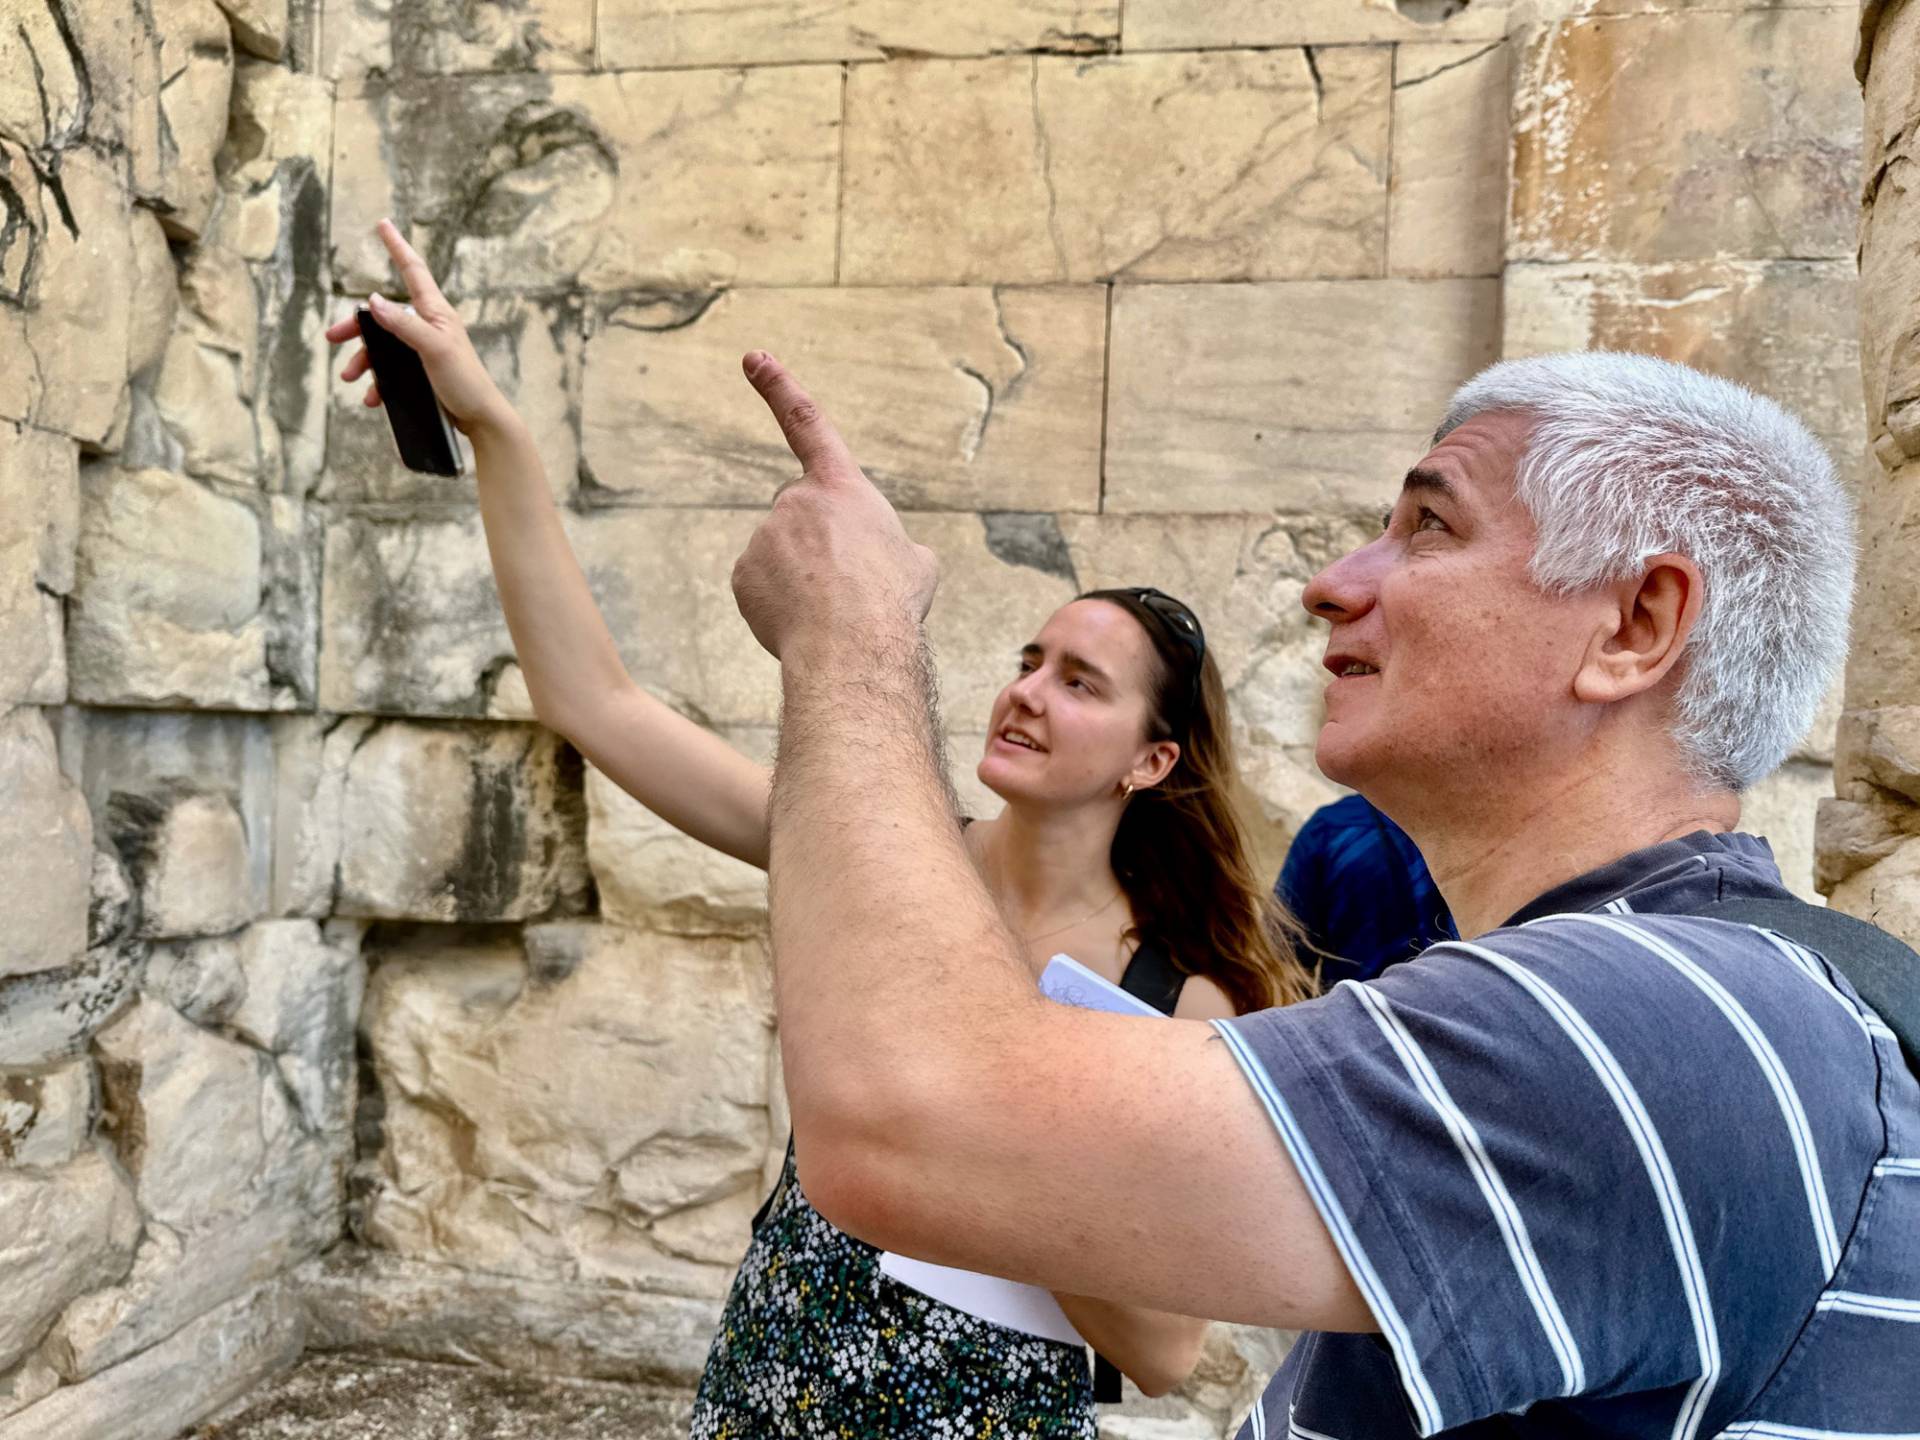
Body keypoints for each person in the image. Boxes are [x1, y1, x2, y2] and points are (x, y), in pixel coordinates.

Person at [725, 345, 1920, 1438]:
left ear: (1635, 625)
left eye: (1429, 527)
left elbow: (905, 1120)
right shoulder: (1691, 1005)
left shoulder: (1648, 1026)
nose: (1333, 584)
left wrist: (850, 631)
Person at [326, 221, 1319, 1437]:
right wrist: (496, 429)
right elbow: (595, 702)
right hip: (773, 1376)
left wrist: (996, 1113)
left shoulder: (1181, 997)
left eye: (1080, 683)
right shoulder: (887, 861)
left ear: (1152, 762)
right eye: (1028, 660)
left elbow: (1164, 1350)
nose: (1025, 693)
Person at [1278, 794, 1453, 985]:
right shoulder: (1468, 832)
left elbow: (1283, 954)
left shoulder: (1332, 827)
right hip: (1457, 996)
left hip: (1354, 998)